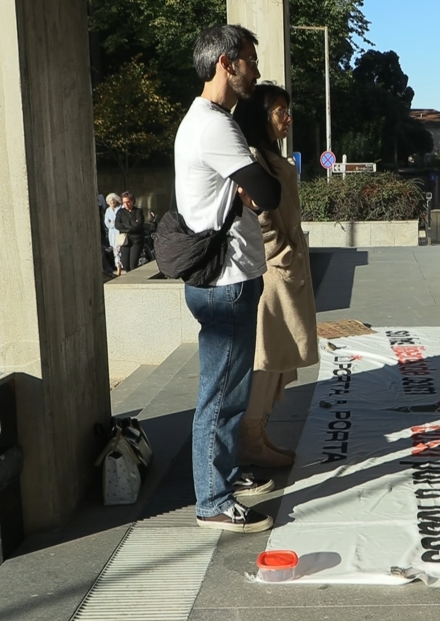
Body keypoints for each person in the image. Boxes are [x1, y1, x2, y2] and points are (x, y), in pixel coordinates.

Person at [174, 24, 282, 533]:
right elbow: (270, 191)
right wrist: (249, 188)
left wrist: (248, 190)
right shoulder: (214, 124)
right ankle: (213, 503)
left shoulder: (210, 119)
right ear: (226, 62)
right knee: (219, 395)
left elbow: (256, 192)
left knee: (233, 391)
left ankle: (228, 475)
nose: (256, 71)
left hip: (229, 276)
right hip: (226, 282)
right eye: (250, 60)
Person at [232, 83, 318, 468]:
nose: (287, 117)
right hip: (269, 274)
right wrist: (282, 255)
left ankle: (259, 433)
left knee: (277, 358)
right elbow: (259, 216)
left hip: (282, 269)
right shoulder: (252, 157)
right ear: (261, 115)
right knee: (265, 359)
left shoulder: (266, 154)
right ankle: (250, 440)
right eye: (280, 110)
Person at [115, 191, 145, 272]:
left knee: (133, 265)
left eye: (128, 202)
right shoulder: (120, 212)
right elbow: (117, 225)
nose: (126, 204)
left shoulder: (138, 211)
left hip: (136, 240)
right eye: (124, 202)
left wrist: (125, 224)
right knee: (125, 264)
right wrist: (131, 225)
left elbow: (139, 225)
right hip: (125, 241)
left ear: (132, 201)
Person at [103, 193, 122, 275]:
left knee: (122, 250)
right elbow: (107, 223)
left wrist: (114, 222)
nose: (111, 203)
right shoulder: (108, 211)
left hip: (121, 233)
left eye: (113, 201)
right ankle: (118, 268)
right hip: (113, 234)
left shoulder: (121, 208)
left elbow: (121, 221)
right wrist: (115, 223)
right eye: (110, 201)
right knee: (116, 252)